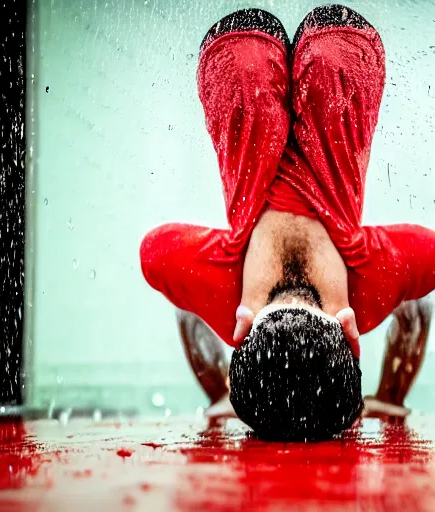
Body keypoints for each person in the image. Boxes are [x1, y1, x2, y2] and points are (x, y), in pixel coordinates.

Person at [140, 5, 435, 440]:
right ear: (349, 327)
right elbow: (419, 298)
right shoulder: (370, 282)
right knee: (410, 297)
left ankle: (223, 395)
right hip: (341, 56)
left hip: (241, 59)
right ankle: (388, 397)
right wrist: (389, 398)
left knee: (247, 66)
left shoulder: (228, 291)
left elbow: (156, 253)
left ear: (240, 327)